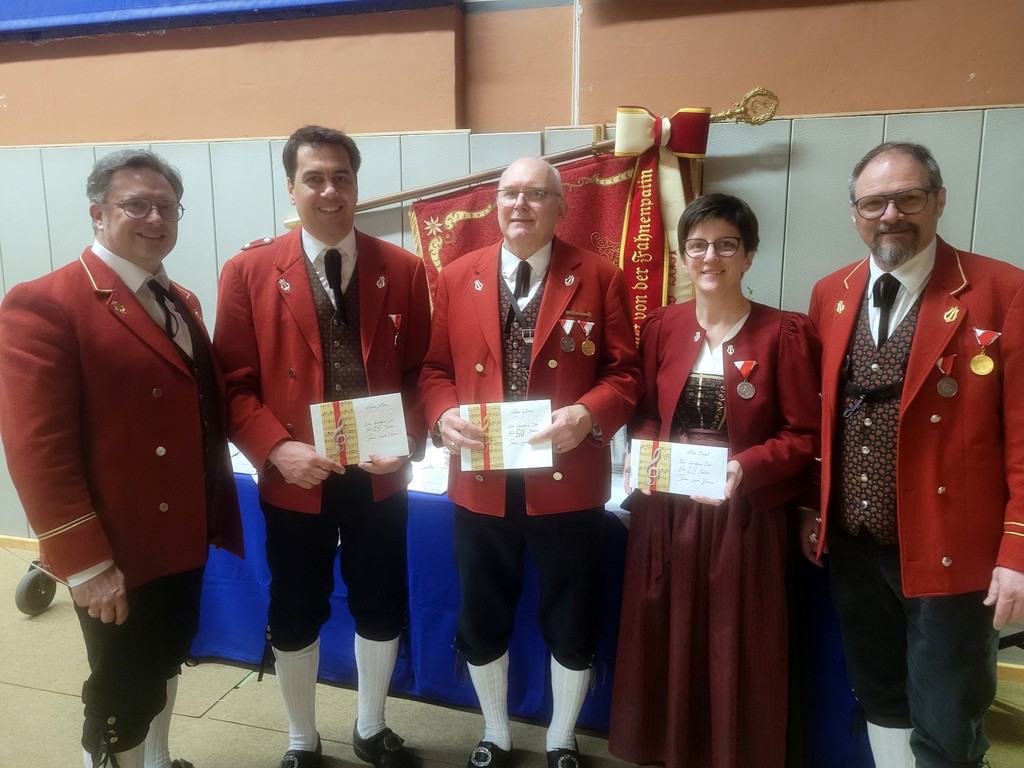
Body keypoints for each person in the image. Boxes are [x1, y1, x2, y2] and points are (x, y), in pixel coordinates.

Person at [0, 149, 243, 768]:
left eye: (167, 206)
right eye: (136, 205)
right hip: (117, 547)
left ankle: (157, 761)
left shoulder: (179, 299)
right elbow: (36, 449)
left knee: (164, 661)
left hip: (178, 534)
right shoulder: (46, 302)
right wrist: (85, 563)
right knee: (119, 695)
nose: (155, 218)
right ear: (98, 214)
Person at [213, 125, 431, 768]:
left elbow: (423, 373)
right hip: (295, 474)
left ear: (356, 186)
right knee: (296, 605)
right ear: (292, 187)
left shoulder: (405, 269)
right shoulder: (248, 271)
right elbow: (232, 385)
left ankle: (371, 726)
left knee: (380, 601)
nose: (329, 190)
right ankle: (301, 739)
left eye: (341, 177)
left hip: (378, 472)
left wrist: (409, 439)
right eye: (314, 178)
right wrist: (276, 449)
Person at [805, 141, 1024, 768]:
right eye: (874, 203)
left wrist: (1016, 549)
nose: (890, 215)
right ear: (855, 212)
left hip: (950, 548)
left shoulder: (1002, 290)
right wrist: (809, 512)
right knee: (880, 697)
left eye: (908, 198)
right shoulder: (831, 293)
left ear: (939, 200)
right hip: (854, 549)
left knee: (948, 720)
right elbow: (819, 421)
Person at [418, 156, 642, 768]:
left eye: (536, 194)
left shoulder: (600, 276)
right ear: (495, 204)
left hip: (567, 483)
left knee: (571, 615)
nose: (521, 204)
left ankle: (562, 737)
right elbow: (433, 370)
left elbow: (626, 374)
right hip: (480, 479)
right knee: (482, 612)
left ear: (561, 207)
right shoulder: (456, 276)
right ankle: (495, 733)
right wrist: (442, 415)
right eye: (510, 193)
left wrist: (588, 414)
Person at [606, 193, 821, 768]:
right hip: (666, 512)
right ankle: (667, 749)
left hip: (742, 515)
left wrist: (746, 468)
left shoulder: (785, 333)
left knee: (733, 638)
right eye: (697, 246)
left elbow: (804, 434)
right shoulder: (660, 327)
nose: (710, 257)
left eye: (726, 245)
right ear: (681, 257)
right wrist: (643, 453)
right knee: (663, 630)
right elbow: (644, 411)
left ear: (749, 255)